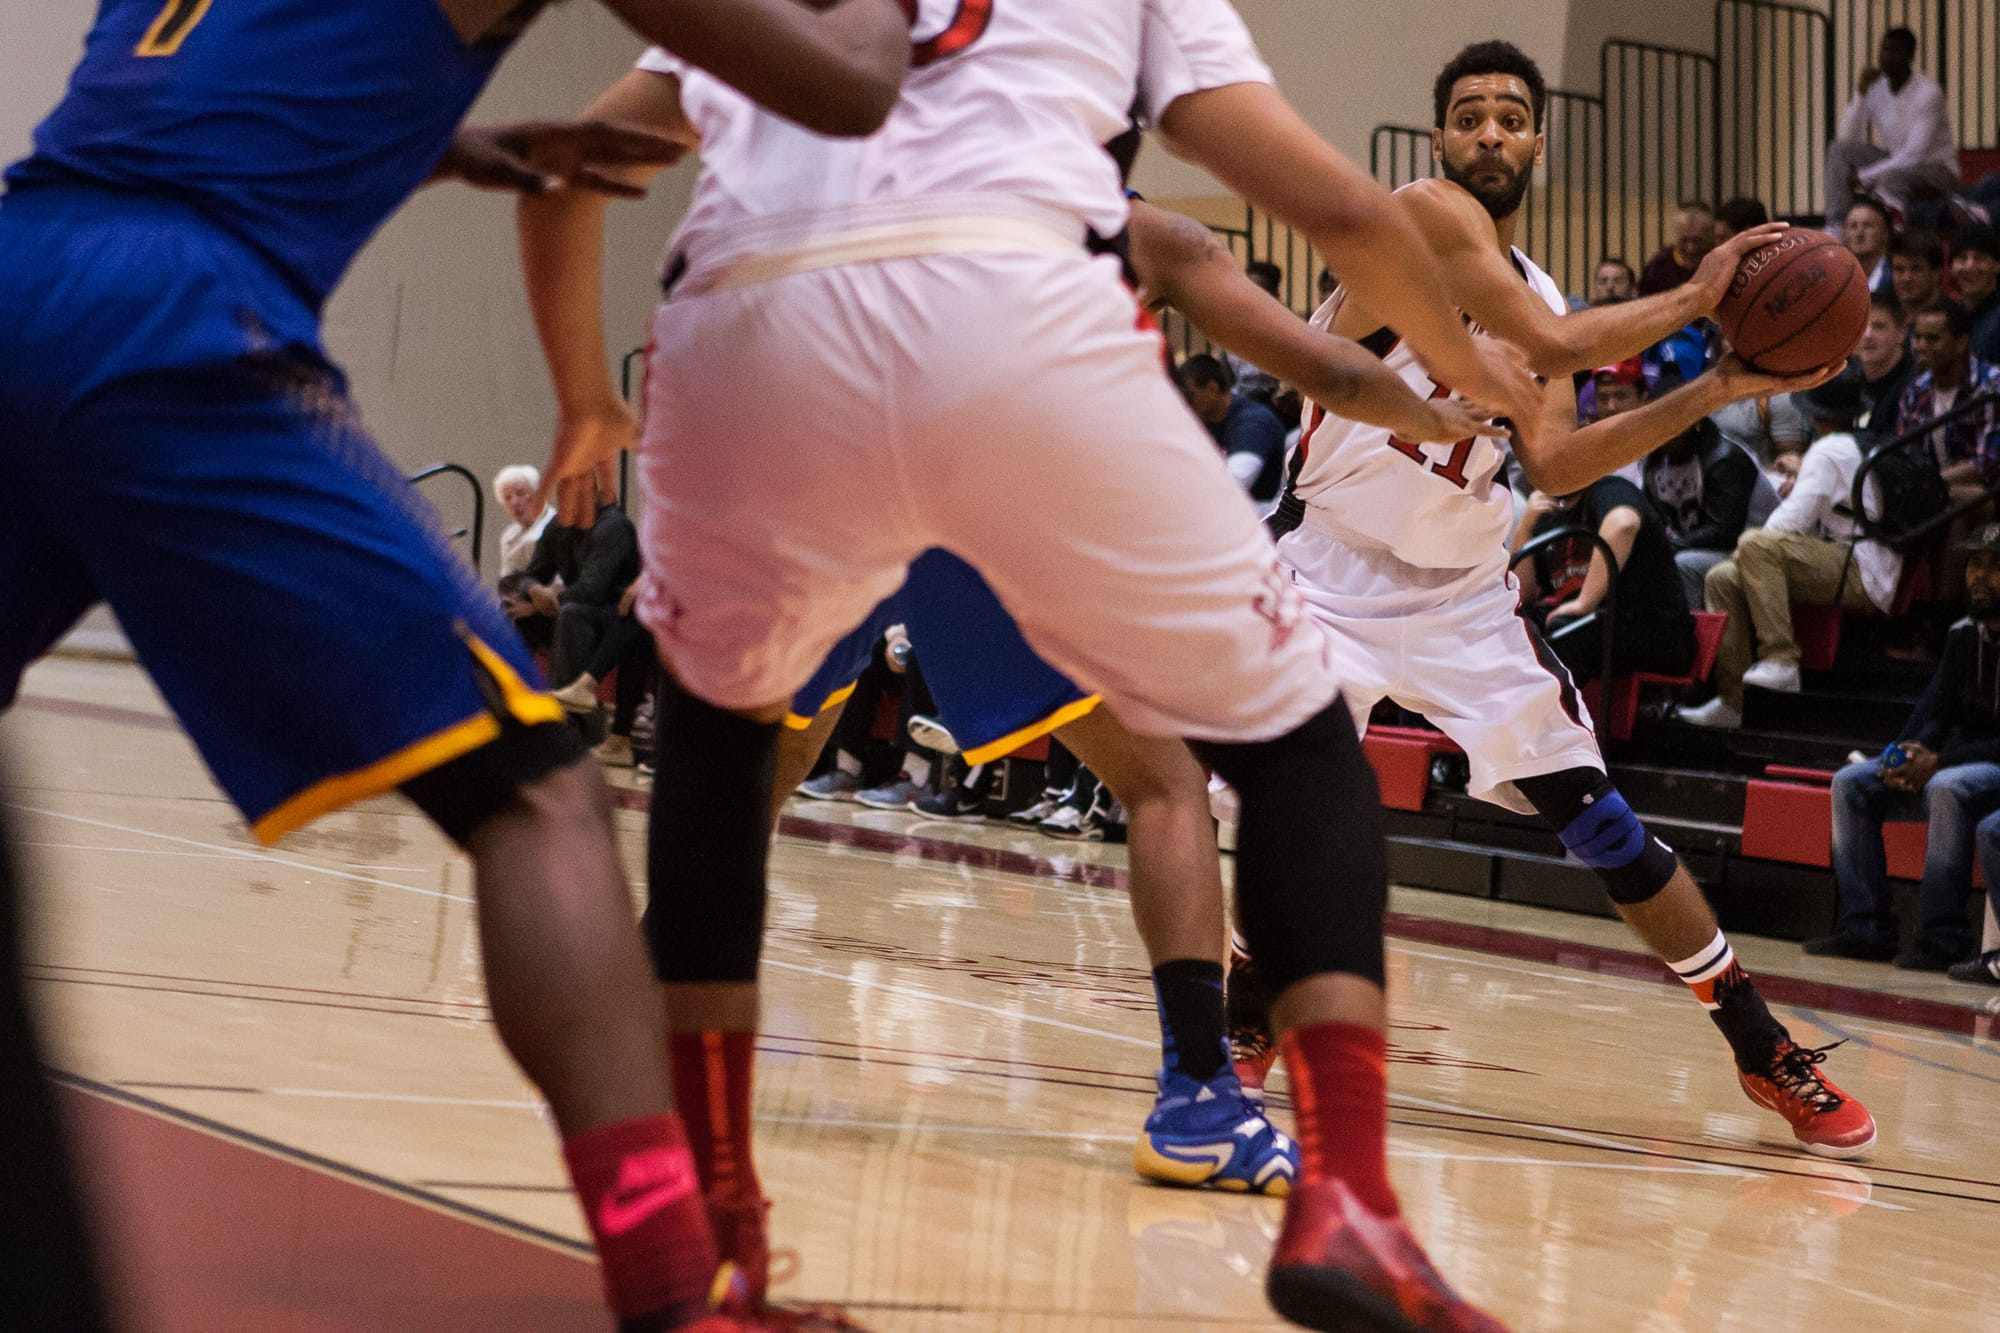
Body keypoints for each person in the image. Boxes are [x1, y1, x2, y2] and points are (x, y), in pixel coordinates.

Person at [522, 7, 1548, 1331]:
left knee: (724, 750)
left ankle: (703, 1246)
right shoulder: (1128, 152)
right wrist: (1464, 373)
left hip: (749, 336)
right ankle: (1306, 1167)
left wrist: (581, 393)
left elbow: (567, 160)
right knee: (1272, 748)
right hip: (1004, 336)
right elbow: (1347, 231)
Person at [0, 1, 922, 1330]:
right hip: (176, 312)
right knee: (539, 793)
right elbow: (843, 87)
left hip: (25, 257)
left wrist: (441, 138)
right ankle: (680, 1292)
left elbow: (190, 101)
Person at [1261, 39, 1872, 1167]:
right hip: (1325, 571)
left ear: (1539, 141)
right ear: (1439, 139)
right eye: (1468, 116)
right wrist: (1694, 294)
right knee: (1280, 810)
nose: (1488, 133)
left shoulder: (1542, 293)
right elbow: (1548, 345)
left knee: (1603, 828)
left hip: (1458, 597)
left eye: (1509, 117)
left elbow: (1551, 462)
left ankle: (1758, 1040)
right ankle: (1247, 1012)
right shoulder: (1418, 216)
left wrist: (1719, 382)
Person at [1808, 524, 2000, 970]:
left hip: (1981, 765)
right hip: (1957, 762)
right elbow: (1938, 717)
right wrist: (1905, 756)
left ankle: (1942, 938)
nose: (1979, 576)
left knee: (1947, 787)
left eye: (1994, 567)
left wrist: (1938, 762)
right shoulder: (1963, 635)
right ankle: (1867, 928)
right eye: (1975, 563)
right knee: (1852, 782)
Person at [1684, 376, 1905, 728]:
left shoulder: (1827, 451)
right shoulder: (1848, 445)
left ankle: (1781, 660)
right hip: (1848, 561)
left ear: (1813, 415)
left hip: (1863, 571)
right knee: (1720, 577)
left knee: (1755, 543)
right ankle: (1733, 703)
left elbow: (1786, 526)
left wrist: (1743, 552)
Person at [1515, 476, 1695, 684]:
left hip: (1654, 630)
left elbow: (1623, 524)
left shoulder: (1609, 489)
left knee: (1566, 633)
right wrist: (1525, 528)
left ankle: (1558, 714)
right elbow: (1521, 594)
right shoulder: (1547, 511)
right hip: (1598, 626)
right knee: (1516, 626)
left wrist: (1585, 602)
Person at [1825, 26, 1958, 230]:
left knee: (1892, 178)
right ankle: (1837, 227)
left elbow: (1913, 156)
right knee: (1839, 150)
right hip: (1894, 159)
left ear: (1910, 56)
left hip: (1936, 170)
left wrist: (1863, 176)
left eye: (1896, 51)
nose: (1887, 57)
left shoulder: (1928, 93)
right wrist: (1861, 93)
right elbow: (1847, 136)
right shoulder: (1876, 88)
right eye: (1885, 49)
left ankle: (1891, 235)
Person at [1641, 415, 1763, 608]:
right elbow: (1652, 519)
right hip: (1690, 545)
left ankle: (1694, 634)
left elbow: (1725, 532)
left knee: (1684, 564)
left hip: (1746, 548)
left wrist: (1668, 547)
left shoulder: (1725, 457)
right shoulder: (1654, 461)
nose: (1665, 434)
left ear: (1694, 422)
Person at [1896, 299, 2000, 506]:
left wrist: (1927, 483)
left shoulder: (1991, 386)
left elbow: (1986, 464)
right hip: (1930, 491)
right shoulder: (1915, 392)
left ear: (1961, 343)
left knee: (1957, 497)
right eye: (1918, 338)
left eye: (1933, 339)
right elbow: (1903, 456)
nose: (1922, 346)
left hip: (1987, 495)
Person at [1178, 353, 1287, 504]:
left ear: (1212, 388)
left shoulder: (1253, 421)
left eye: (1189, 395)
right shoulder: (1199, 423)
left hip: (1261, 513)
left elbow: (1235, 483)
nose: (1183, 403)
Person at [1854, 289, 1919, 427]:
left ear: (1902, 333)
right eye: (1861, 326)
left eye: (1879, 327)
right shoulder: (1845, 381)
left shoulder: (1915, 388)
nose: (1868, 335)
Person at [1639, 199, 1715, 295]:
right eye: (1684, 241)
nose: (1690, 248)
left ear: (1711, 236)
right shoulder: (1658, 266)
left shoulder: (1721, 262)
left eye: (1697, 241)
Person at [495, 462, 556, 577]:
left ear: (537, 494)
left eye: (520, 493)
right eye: (507, 498)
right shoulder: (508, 536)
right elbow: (507, 580)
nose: (514, 502)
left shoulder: (556, 525)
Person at [1953, 224, 2000, 365]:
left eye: (1979, 258)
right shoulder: (1951, 315)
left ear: (1997, 265)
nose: (1969, 266)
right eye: (1962, 258)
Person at [1888, 227, 1945, 318]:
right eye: (1899, 269)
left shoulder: (1952, 319)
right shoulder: (1883, 314)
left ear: (1936, 273)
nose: (1907, 278)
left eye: (1916, 269)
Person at [1841, 196, 1895, 293]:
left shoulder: (1897, 277)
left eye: (1867, 225)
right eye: (1853, 226)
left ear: (1885, 233)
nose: (1859, 234)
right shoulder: (1838, 279)